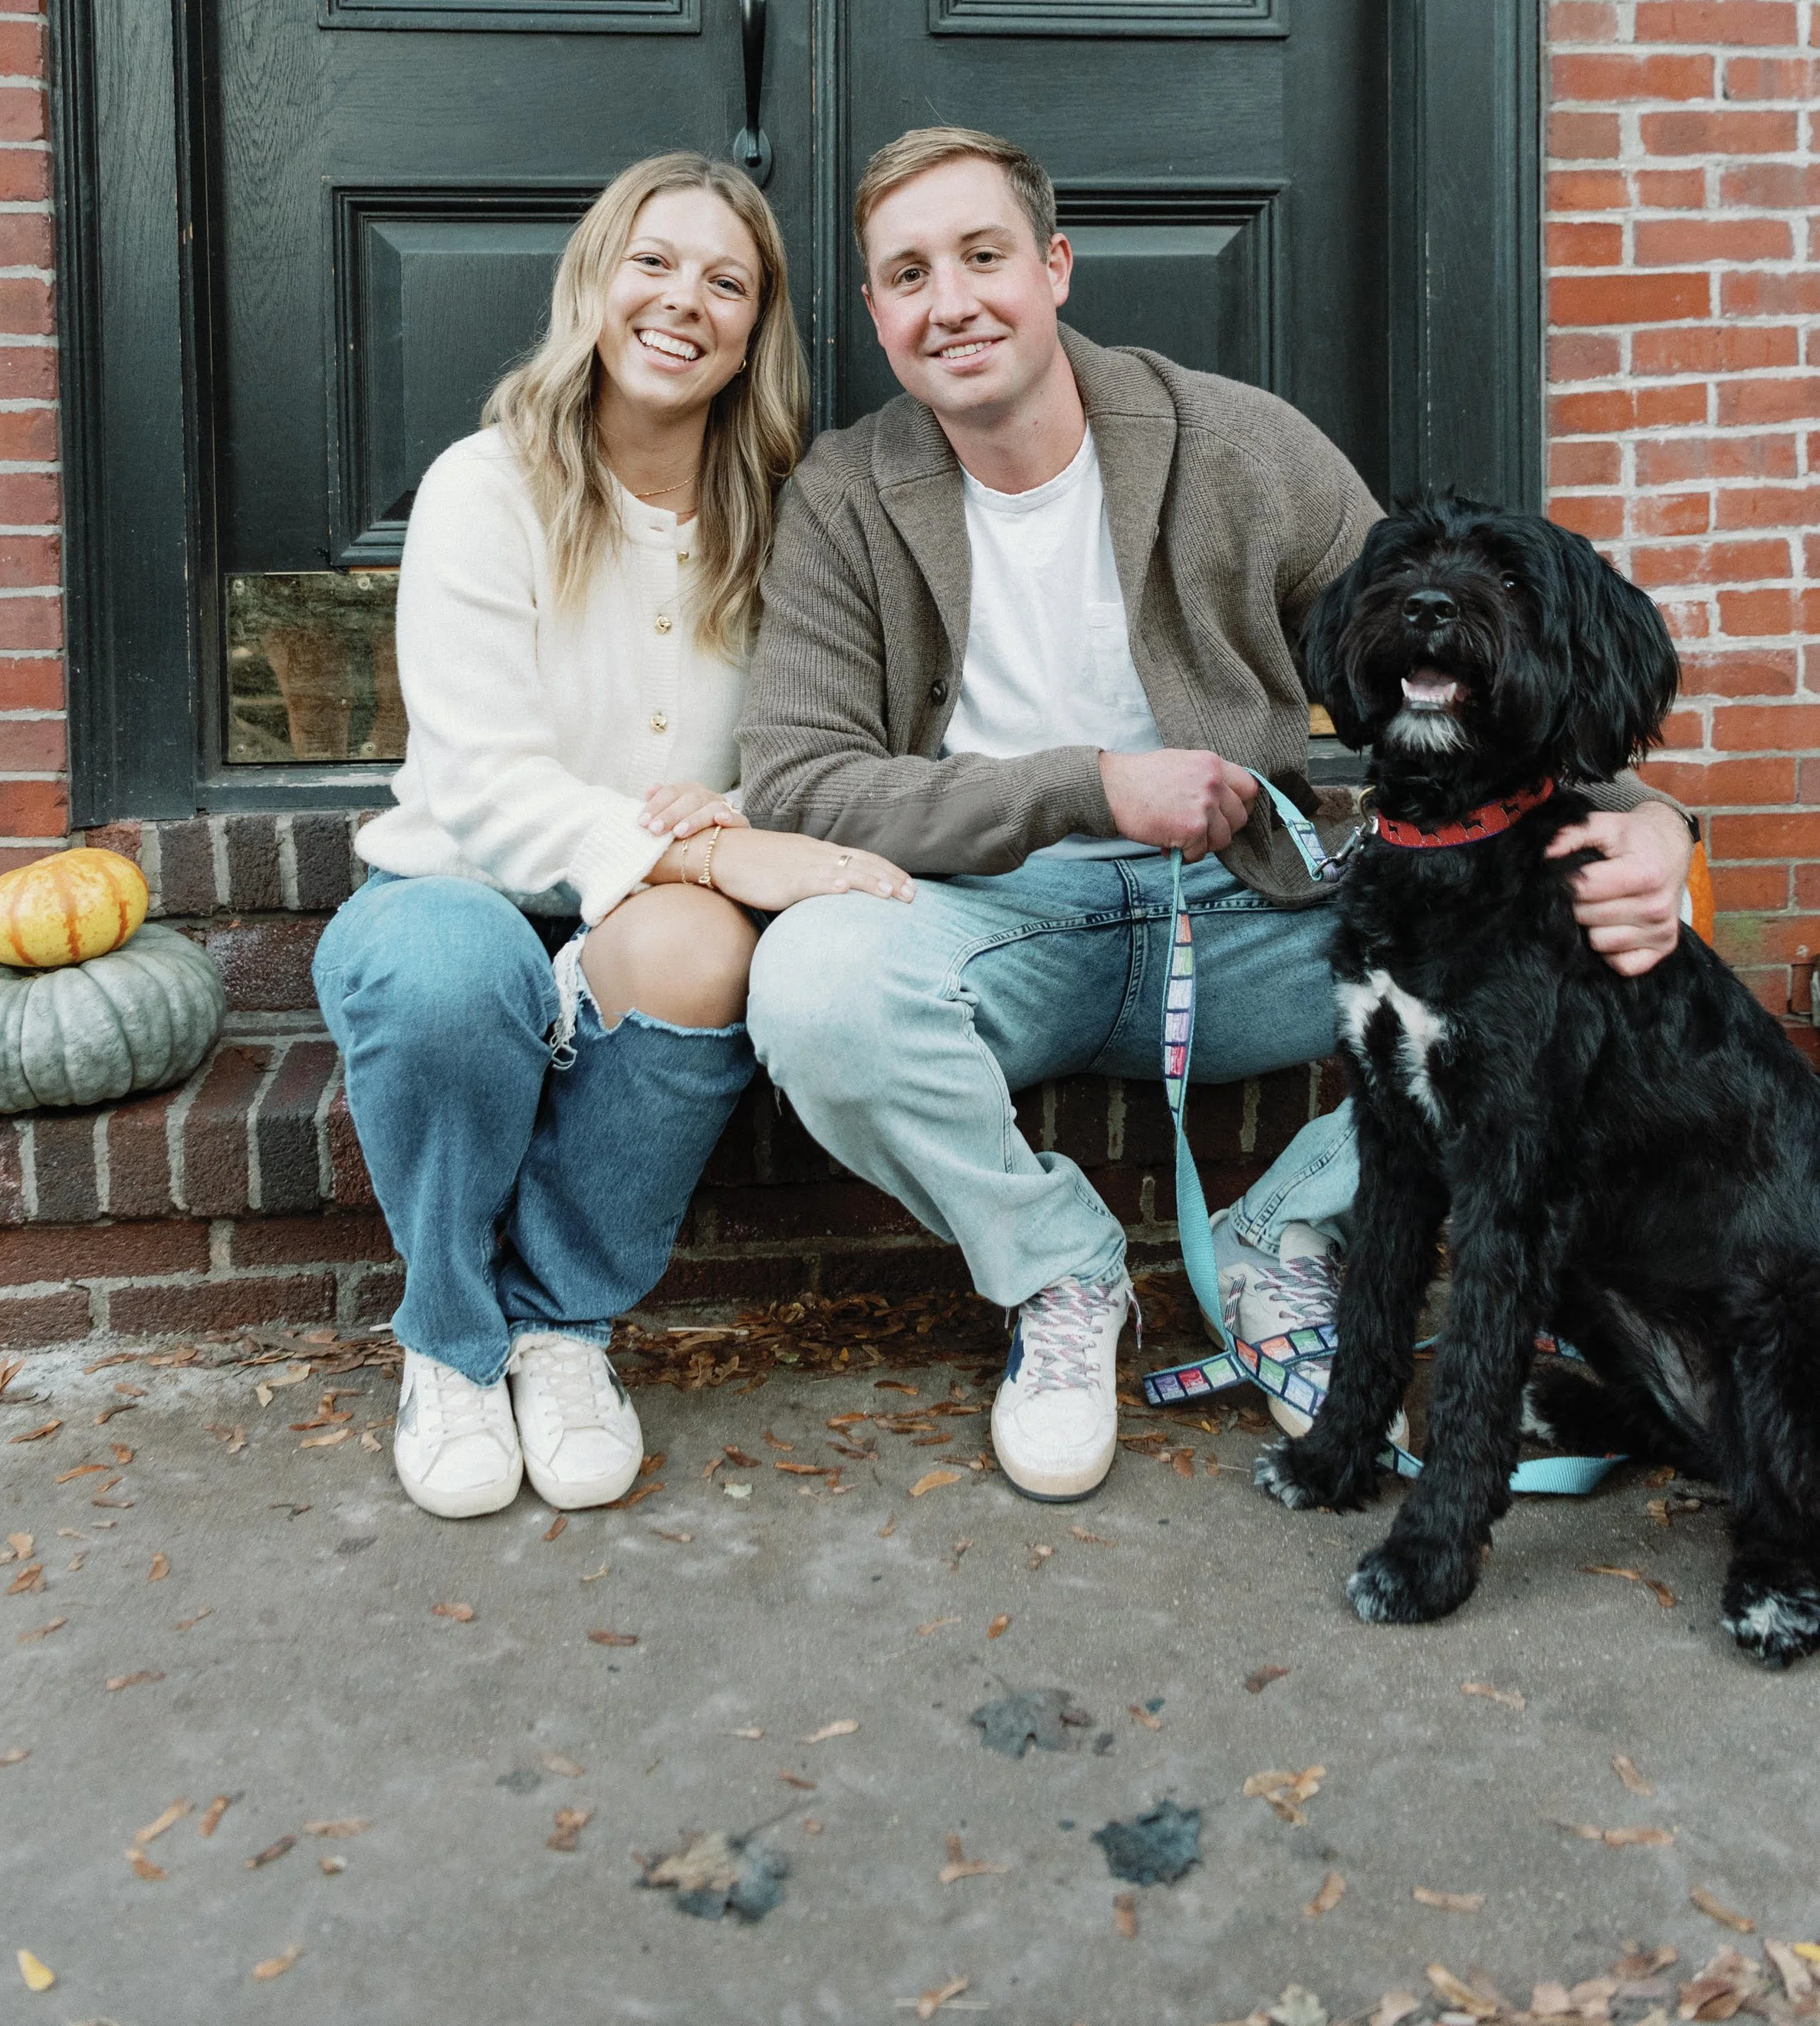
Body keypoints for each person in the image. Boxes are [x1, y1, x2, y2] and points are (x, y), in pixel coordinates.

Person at [739, 127, 1695, 1505]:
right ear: (877, 313)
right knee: (813, 987)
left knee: (1594, 942)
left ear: (1055, 268)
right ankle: (1062, 1280)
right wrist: (1088, 784)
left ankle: (1283, 1231)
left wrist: (1648, 814)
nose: (950, 301)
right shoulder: (842, 499)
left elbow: (1442, 660)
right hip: (997, 925)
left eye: (983, 255)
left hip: (1259, 917)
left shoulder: (1238, 443)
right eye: (906, 274)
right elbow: (799, 781)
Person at [313, 153, 912, 1522]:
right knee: (456, 975)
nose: (682, 301)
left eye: (727, 281)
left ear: (756, 331)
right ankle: (452, 1346)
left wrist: (754, 813)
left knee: (705, 953)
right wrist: (704, 855)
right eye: (654, 262)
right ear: (594, 279)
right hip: (453, 884)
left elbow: (834, 729)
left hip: (642, 921)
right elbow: (474, 780)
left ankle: (557, 1327)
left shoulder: (787, 513)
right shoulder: (488, 483)